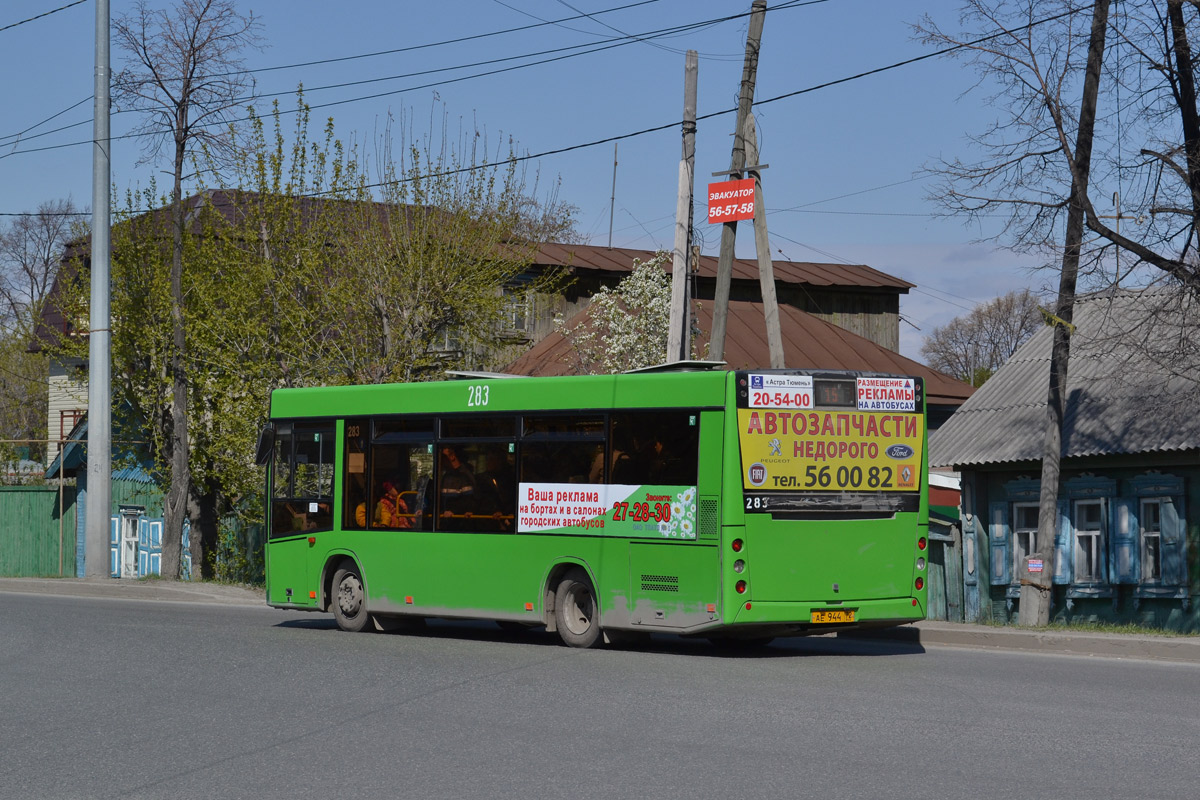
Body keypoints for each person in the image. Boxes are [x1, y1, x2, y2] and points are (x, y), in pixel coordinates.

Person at [439, 446, 477, 520]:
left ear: (452, 456)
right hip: (445, 521)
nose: (441, 460)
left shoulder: (465, 475)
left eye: (444, 457)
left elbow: (469, 501)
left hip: (459, 522)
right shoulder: (445, 476)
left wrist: (454, 512)